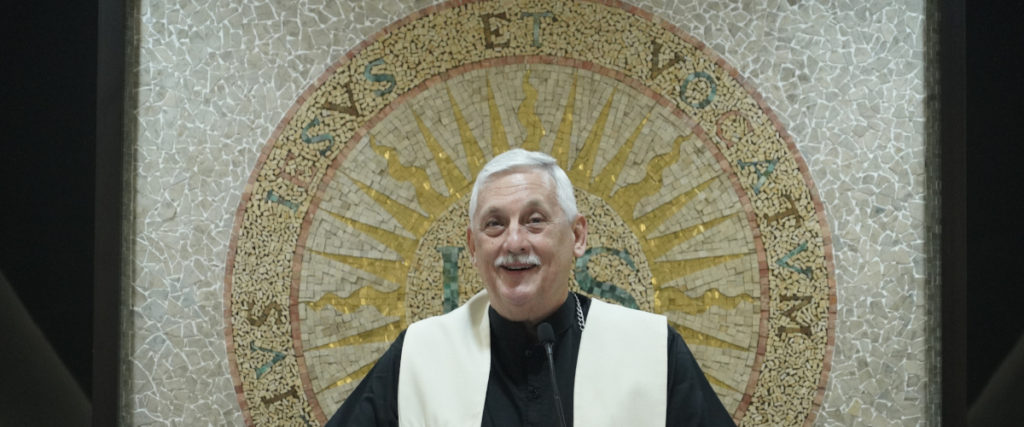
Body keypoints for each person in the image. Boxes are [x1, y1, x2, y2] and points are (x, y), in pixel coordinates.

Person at [326, 149, 734, 426]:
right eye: (494, 224)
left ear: (577, 236)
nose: (515, 242)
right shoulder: (419, 355)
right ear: (472, 246)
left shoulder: (651, 349)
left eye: (535, 220)